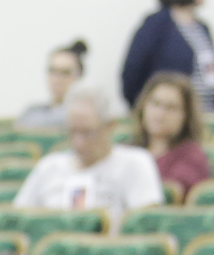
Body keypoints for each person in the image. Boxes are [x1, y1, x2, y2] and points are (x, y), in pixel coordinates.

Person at [12, 89, 166, 221]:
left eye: (87, 133)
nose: (78, 142)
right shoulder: (48, 167)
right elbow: (18, 219)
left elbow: (145, 225)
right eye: (72, 131)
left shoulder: (135, 163)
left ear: (109, 127)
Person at [123, 0, 214, 110]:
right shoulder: (157, 24)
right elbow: (133, 73)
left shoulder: (203, 27)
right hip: (171, 114)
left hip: (208, 112)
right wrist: (145, 110)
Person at [132, 72, 210, 198]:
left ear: (186, 116)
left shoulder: (193, 158)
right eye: (155, 104)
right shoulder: (129, 150)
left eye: (170, 108)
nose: (160, 114)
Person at [19, 40, 90, 133]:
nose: (57, 79)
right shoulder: (31, 112)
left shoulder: (84, 114)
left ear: (79, 76)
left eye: (65, 73)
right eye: (52, 71)